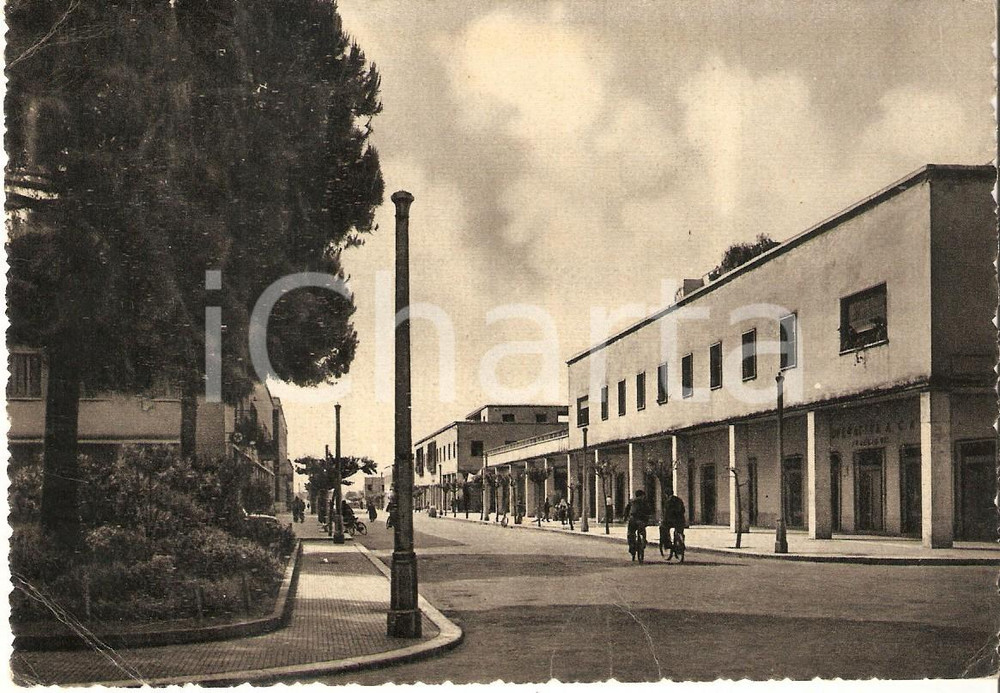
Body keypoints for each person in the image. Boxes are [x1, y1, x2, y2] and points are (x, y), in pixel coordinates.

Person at [624, 489, 651, 562]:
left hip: (632, 519)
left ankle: (632, 548)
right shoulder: (645, 502)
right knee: (642, 532)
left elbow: (626, 510)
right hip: (641, 520)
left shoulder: (632, 501)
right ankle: (643, 541)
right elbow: (649, 511)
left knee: (630, 533)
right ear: (642, 495)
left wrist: (625, 518)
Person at [661, 490, 687, 560]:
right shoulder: (679, 500)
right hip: (680, 520)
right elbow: (683, 510)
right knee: (679, 531)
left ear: (666, 494)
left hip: (670, 520)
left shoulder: (668, 501)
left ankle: (667, 543)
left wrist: (663, 520)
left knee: (663, 528)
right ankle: (681, 540)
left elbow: (666, 512)